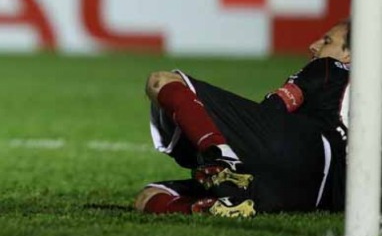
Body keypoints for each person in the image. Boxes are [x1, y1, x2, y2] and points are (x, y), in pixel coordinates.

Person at [135, 20, 351, 218]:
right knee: (150, 197)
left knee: (161, 81)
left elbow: (275, 107)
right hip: (314, 196)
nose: (314, 45)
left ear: (349, 55)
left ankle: (221, 160)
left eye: (327, 41)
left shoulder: (329, 68)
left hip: (308, 147)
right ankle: (218, 207)